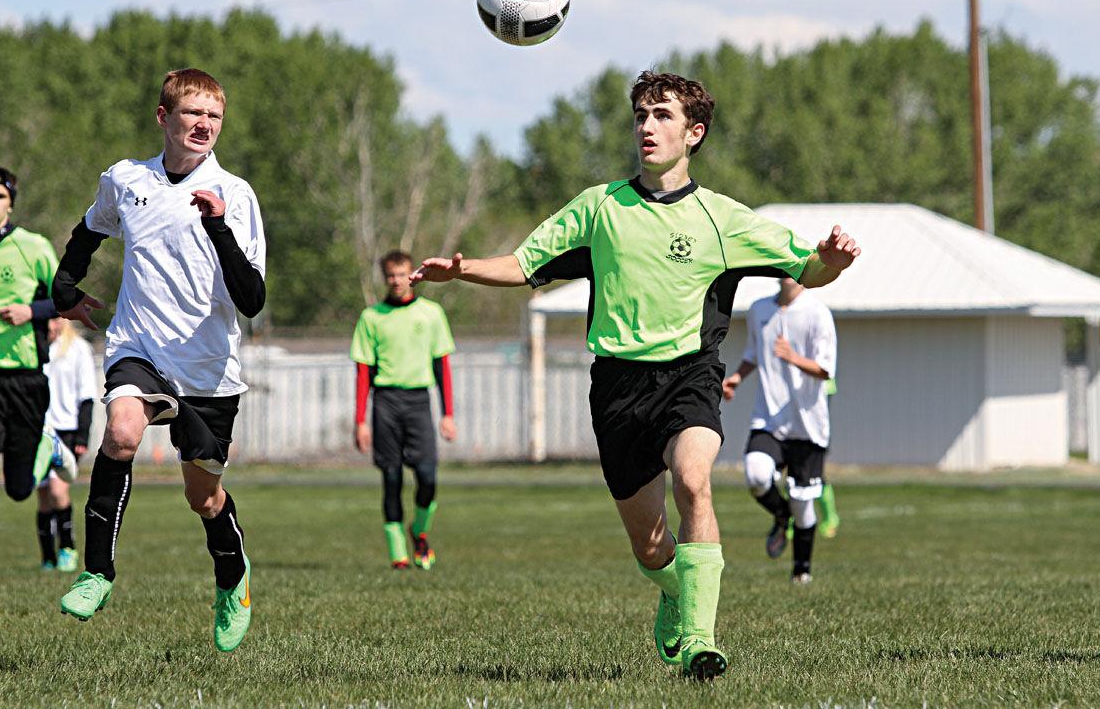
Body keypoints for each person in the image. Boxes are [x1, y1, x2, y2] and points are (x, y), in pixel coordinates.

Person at [411, 71, 860, 679]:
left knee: (694, 481)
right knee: (651, 549)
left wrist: (829, 261)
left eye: (663, 115)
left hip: (689, 375)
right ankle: (674, 589)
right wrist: (461, 272)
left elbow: (808, 269)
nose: (647, 127)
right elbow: (525, 264)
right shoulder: (599, 208)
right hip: (618, 388)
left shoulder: (722, 218)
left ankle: (701, 639)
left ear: (693, 132)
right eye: (641, 115)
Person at [52, 68, 266, 652]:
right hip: (139, 347)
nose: (204, 125)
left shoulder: (236, 196)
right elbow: (89, 230)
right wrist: (66, 285)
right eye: (192, 113)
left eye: (214, 116)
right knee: (120, 434)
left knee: (203, 497)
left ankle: (232, 575)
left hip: (208, 369)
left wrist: (216, 225)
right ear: (163, 118)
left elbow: (251, 301)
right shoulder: (127, 180)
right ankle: (97, 571)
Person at [0, 164, 76, 598]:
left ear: (10, 203)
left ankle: (47, 448)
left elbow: (64, 298)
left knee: (17, 489)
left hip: (27, 380)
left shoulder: (33, 248)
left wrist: (33, 312)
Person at [721, 277, 836, 584]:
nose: (789, 272)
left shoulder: (817, 313)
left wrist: (792, 357)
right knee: (756, 474)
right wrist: (736, 378)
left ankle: (801, 570)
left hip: (807, 425)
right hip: (769, 420)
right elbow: (753, 354)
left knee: (803, 503)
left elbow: (826, 369)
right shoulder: (759, 310)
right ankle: (779, 515)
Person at [351, 250, 457, 570]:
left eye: (402, 274)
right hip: (385, 403)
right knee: (392, 477)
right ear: (385, 278)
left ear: (413, 276)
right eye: (391, 275)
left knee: (427, 476)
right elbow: (363, 373)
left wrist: (448, 413)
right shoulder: (371, 317)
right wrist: (360, 421)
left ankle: (419, 530)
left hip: (418, 402)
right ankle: (398, 553)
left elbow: (443, 367)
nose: (397, 281)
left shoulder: (431, 314)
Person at [35, 317, 96, 573]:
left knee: (59, 492)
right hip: (38, 431)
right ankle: (47, 557)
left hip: (67, 431)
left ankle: (68, 549)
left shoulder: (78, 348)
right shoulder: (35, 345)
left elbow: (87, 395)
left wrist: (82, 436)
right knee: (44, 496)